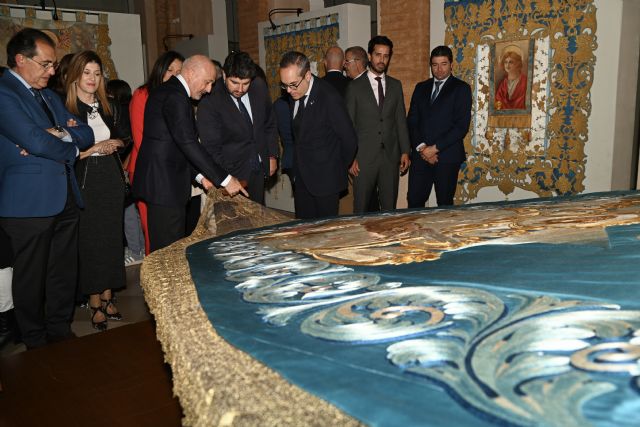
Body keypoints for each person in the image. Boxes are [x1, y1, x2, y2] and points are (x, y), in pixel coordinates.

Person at [0, 28, 93, 349]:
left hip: (65, 194)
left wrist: (58, 135)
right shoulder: (4, 92)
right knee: (30, 276)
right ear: (20, 59)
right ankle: (34, 338)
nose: (52, 71)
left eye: (53, 65)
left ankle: (59, 328)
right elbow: (33, 139)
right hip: (28, 203)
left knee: (63, 271)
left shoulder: (50, 95)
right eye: (45, 64)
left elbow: (85, 133)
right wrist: (61, 142)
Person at [132, 54, 247, 252]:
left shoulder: (169, 92)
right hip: (164, 186)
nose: (209, 89)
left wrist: (201, 177)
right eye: (208, 82)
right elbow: (187, 143)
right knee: (168, 252)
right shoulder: (175, 96)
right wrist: (226, 179)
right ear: (192, 73)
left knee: (171, 247)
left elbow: (175, 145)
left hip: (164, 185)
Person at [65, 50, 131, 331]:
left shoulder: (110, 105)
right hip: (85, 179)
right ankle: (94, 299)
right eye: (86, 73)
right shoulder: (66, 109)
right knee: (91, 241)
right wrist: (93, 149)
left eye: (96, 73)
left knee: (112, 238)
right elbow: (64, 151)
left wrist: (117, 144)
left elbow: (125, 136)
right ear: (76, 75)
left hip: (111, 178)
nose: (92, 78)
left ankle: (108, 293)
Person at [279, 51, 357, 219]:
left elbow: (349, 139)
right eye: (284, 85)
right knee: (304, 231)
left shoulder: (329, 97)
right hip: (302, 179)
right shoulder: (295, 92)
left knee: (324, 234)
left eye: (292, 84)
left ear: (307, 75)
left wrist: (335, 168)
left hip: (325, 182)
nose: (288, 90)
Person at [197, 52, 278, 205]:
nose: (240, 89)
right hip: (231, 175)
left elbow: (269, 123)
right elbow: (211, 148)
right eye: (234, 82)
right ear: (224, 74)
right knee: (236, 225)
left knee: (258, 220)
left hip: (259, 169)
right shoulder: (210, 100)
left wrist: (272, 155)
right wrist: (227, 178)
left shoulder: (259, 87)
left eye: (245, 83)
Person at [345, 36, 411, 214]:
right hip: (363, 159)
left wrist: (405, 151)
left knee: (389, 209)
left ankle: (387, 241)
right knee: (361, 207)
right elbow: (348, 126)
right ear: (369, 56)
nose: (381, 60)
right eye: (378, 55)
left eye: (386, 56)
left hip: (390, 157)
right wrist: (350, 158)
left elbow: (400, 121)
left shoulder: (395, 86)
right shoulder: (355, 87)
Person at [128, 51, 184, 255]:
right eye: (170, 70)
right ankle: (155, 279)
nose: (174, 75)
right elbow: (142, 138)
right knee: (153, 231)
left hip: (172, 172)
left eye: (179, 72)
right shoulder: (143, 94)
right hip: (149, 170)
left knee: (172, 231)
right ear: (160, 70)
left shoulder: (179, 96)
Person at [406, 45, 472, 208]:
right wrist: (423, 149)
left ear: (451, 65)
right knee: (414, 201)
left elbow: (461, 127)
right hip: (421, 156)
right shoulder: (421, 88)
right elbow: (412, 121)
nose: (439, 69)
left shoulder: (461, 88)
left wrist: (434, 149)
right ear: (431, 65)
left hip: (447, 156)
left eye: (443, 64)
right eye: (435, 65)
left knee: (444, 204)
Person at [107, 78, 145, 266]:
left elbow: (131, 143)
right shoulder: (129, 109)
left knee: (129, 212)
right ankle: (139, 249)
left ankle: (136, 251)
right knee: (135, 212)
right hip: (132, 166)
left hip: (126, 168)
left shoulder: (119, 112)